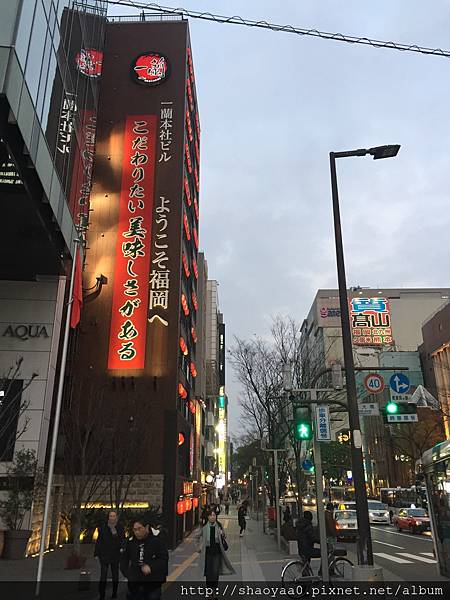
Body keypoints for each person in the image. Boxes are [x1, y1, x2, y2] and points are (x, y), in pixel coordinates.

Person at [120, 519, 169, 600]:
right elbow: (124, 559)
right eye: (135, 530)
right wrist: (128, 574)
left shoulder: (157, 540)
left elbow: (163, 559)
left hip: (153, 583)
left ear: (146, 527)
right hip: (135, 584)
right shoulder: (131, 541)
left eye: (139, 529)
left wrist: (151, 567)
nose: (137, 532)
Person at [196, 508, 235, 593]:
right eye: (210, 515)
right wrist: (198, 547)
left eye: (214, 515)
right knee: (208, 573)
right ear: (208, 517)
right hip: (207, 552)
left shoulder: (219, 525)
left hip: (217, 552)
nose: (212, 517)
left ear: (216, 516)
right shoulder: (204, 527)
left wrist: (222, 534)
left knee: (215, 572)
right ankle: (209, 590)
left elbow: (224, 536)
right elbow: (197, 537)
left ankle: (214, 590)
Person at [94, 510, 126, 600]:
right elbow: (99, 541)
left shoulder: (120, 527)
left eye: (113, 516)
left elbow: (123, 539)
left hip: (115, 554)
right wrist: (96, 553)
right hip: (104, 554)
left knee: (115, 574)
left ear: (116, 517)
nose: (112, 518)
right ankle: (102, 595)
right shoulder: (103, 527)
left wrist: (122, 548)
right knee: (103, 575)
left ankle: (114, 593)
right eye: (110, 516)